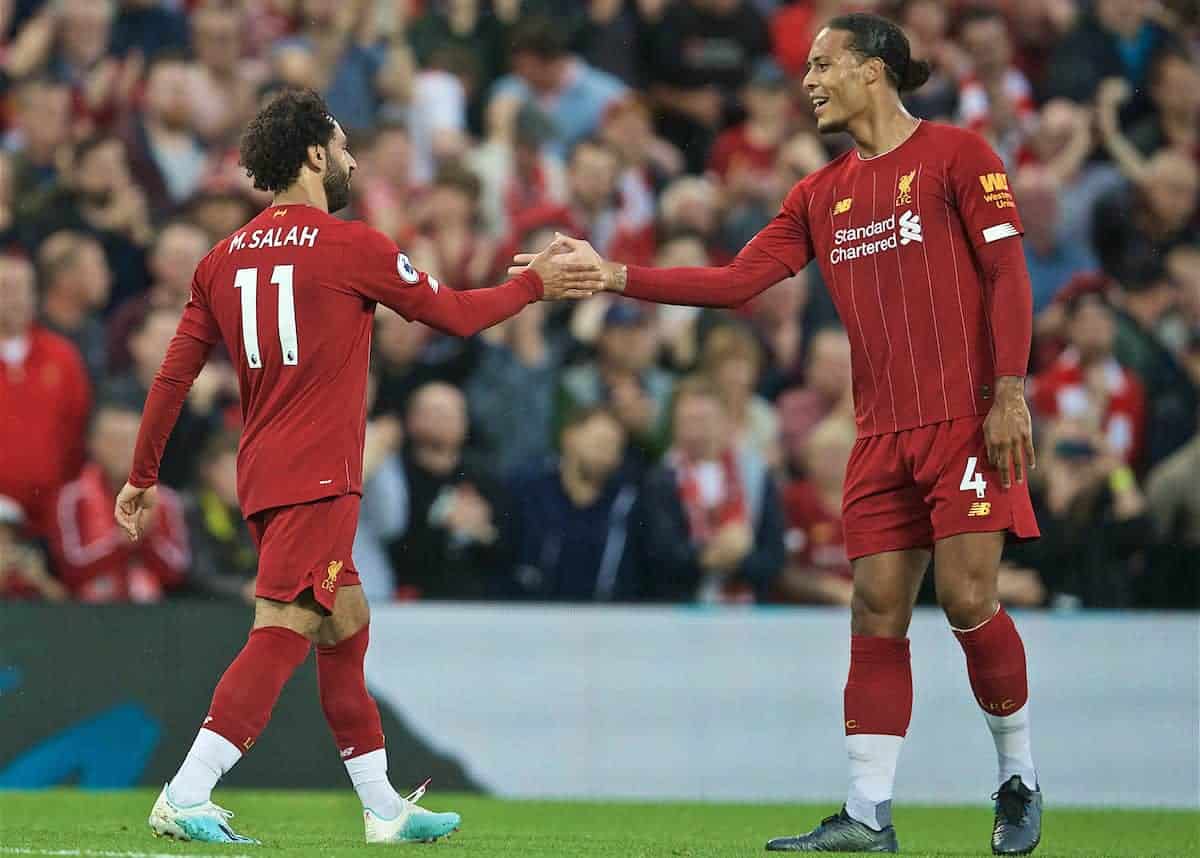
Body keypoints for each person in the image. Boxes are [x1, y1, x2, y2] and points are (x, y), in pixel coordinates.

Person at [515, 14, 1042, 854]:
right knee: (874, 612)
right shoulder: (817, 194)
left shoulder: (960, 157)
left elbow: (1008, 273)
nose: (809, 79)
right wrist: (613, 273)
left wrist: (1009, 389)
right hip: (878, 433)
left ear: (875, 70)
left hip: (965, 418)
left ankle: (1016, 776)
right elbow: (733, 283)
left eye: (824, 63)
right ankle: (869, 813)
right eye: (806, 66)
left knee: (970, 598)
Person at [112, 89, 600, 845]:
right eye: (342, 146)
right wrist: (537, 285)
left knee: (345, 624)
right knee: (284, 627)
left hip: (264, 472)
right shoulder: (353, 246)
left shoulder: (219, 259)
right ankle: (186, 790)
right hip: (318, 475)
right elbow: (459, 316)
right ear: (313, 154)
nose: (351, 158)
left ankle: (382, 810)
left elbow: (174, 375)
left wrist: (142, 474)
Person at [632, 375, 785, 603]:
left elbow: (774, 556)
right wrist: (716, 553)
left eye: (704, 420)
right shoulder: (660, 480)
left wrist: (740, 560)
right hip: (681, 608)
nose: (696, 431)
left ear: (725, 422)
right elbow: (659, 554)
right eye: (687, 421)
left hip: (748, 611)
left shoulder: (756, 475)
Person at [52, 398, 190, 603]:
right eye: (112, 440)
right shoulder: (71, 498)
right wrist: (124, 540)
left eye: (130, 440)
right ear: (92, 443)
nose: (121, 449)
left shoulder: (166, 501)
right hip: (88, 617)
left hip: (155, 619)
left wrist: (148, 539)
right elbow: (70, 569)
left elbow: (179, 573)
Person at [503, 406, 640, 601]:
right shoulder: (527, 491)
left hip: (604, 623)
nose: (605, 453)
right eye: (599, 442)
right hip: (530, 618)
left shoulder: (627, 503)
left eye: (614, 446)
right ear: (569, 438)